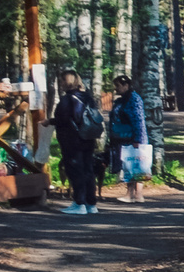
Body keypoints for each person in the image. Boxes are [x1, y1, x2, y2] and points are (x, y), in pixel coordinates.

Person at [53, 71, 103, 215]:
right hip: (88, 137)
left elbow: (62, 120)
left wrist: (49, 121)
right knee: (88, 170)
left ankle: (79, 203)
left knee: (75, 170)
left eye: (62, 81)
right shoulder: (88, 97)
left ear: (66, 82)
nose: (61, 84)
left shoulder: (67, 100)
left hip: (72, 140)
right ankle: (91, 203)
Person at [106, 75, 151, 204]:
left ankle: (135, 194)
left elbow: (138, 120)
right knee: (129, 165)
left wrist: (138, 139)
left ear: (126, 85)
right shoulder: (122, 100)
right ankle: (133, 194)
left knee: (135, 164)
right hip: (123, 137)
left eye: (118, 86)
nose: (116, 89)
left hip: (132, 137)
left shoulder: (133, 99)